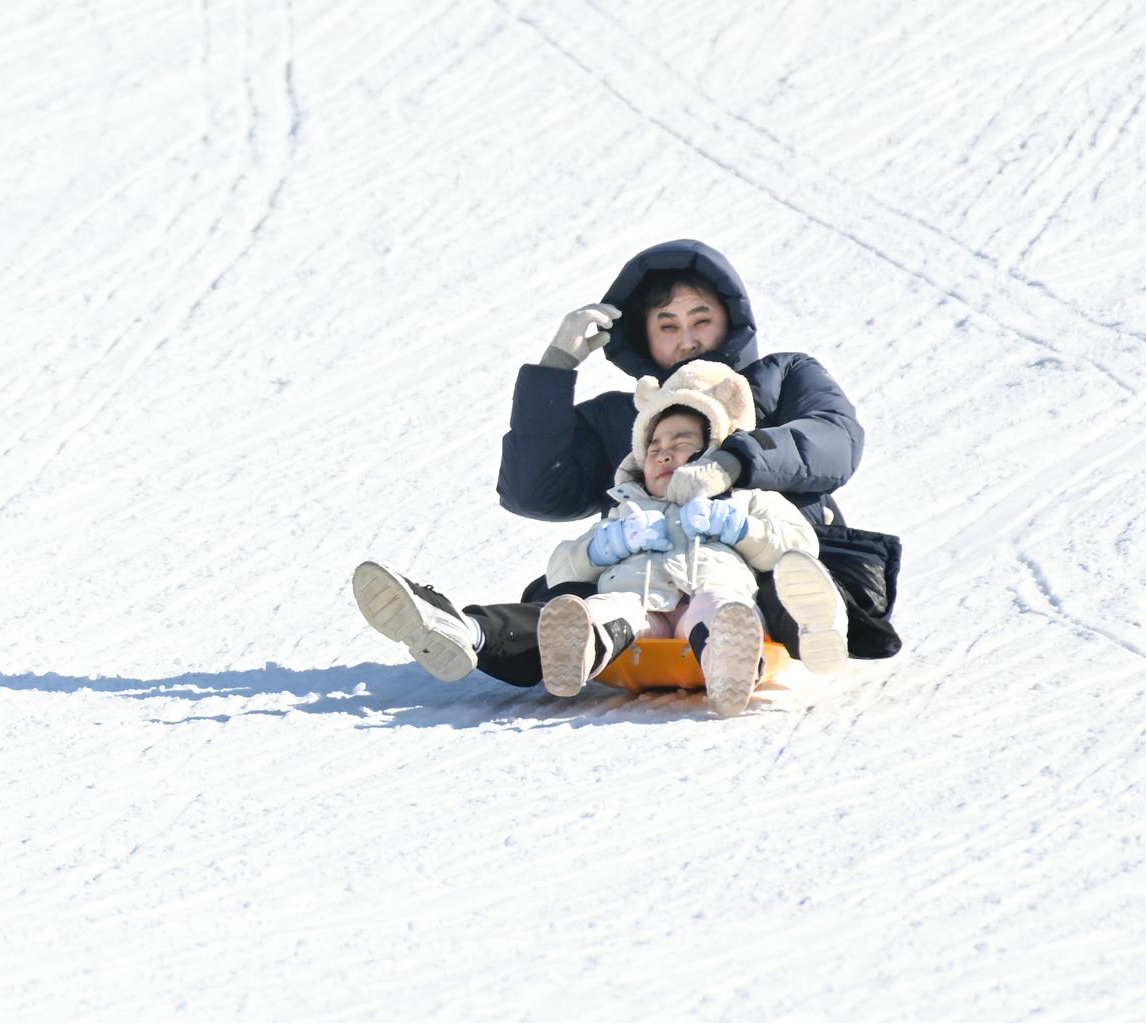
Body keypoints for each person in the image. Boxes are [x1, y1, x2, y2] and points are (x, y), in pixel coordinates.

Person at [352, 239, 901, 691]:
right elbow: (535, 489)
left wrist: (735, 462)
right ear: (644, 337)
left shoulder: (783, 379)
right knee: (560, 599)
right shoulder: (629, 420)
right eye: (667, 325)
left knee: (792, 583)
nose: (688, 339)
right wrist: (554, 369)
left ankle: (811, 630)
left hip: (777, 560)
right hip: (648, 573)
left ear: (730, 321)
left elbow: (835, 441)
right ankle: (466, 631)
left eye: (701, 319)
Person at [532, 360, 820, 716]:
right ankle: (581, 643)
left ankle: (730, 664)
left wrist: (741, 529)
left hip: (707, 600)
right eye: (653, 449)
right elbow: (560, 571)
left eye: (682, 443)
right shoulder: (628, 509)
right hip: (641, 609)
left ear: (714, 450)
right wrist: (605, 547)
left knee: (719, 607)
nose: (664, 453)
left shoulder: (744, 499)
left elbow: (801, 548)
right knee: (615, 607)